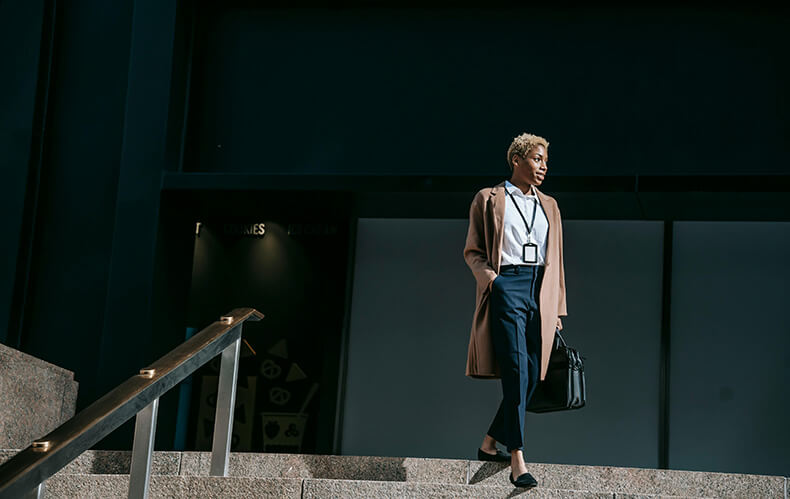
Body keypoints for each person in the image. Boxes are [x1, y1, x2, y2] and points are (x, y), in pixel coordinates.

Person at [463, 132, 567, 489]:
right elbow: (473, 251)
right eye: (537, 159)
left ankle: (489, 441)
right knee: (514, 367)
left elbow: (558, 262)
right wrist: (494, 282)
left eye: (546, 161)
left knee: (532, 373)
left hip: (541, 290)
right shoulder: (488, 198)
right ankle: (516, 456)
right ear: (517, 159)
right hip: (507, 285)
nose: (544, 167)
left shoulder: (550, 205)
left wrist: (557, 309)